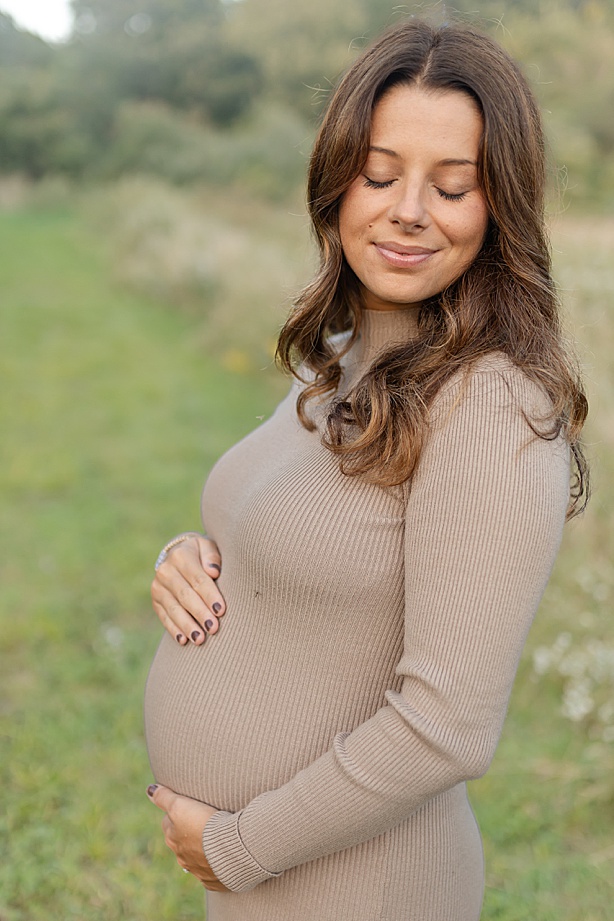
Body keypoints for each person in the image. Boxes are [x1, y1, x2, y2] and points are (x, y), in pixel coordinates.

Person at [144, 16, 589, 921]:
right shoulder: (346, 351)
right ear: (335, 179)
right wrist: (196, 556)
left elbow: (448, 726)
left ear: (499, 205)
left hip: (362, 888)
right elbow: (294, 530)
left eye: (453, 186)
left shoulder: (491, 408)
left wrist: (238, 846)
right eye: (380, 174)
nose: (408, 210)